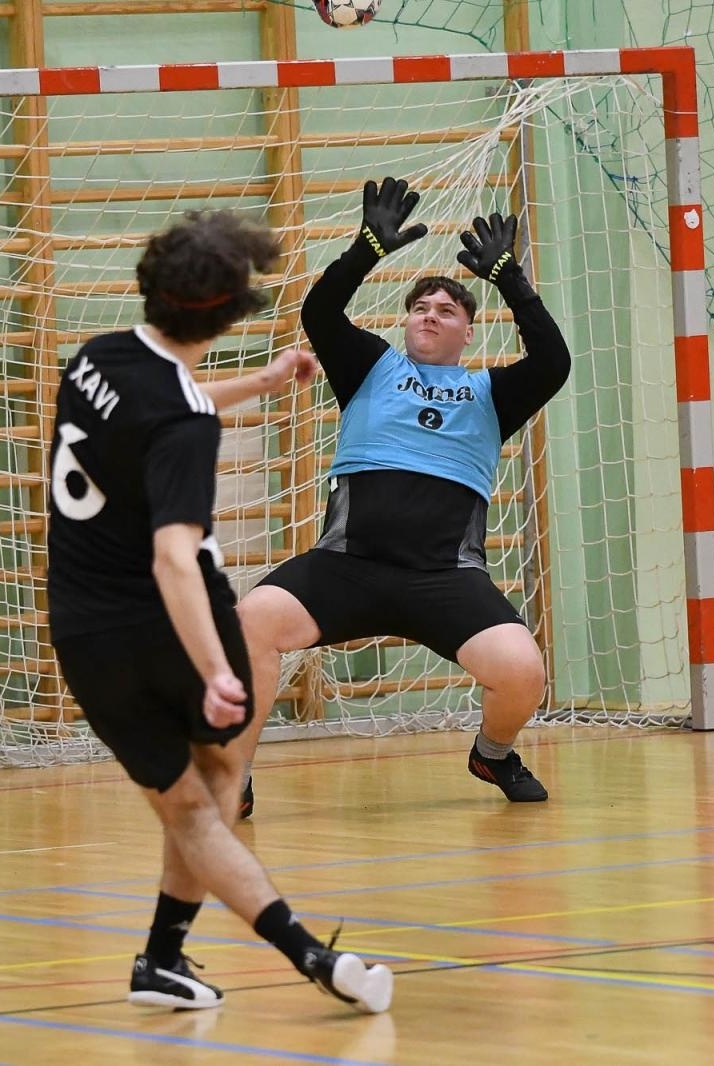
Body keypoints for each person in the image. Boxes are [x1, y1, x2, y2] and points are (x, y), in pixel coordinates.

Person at [47, 210, 393, 1014]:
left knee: (191, 797)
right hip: (170, 624)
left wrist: (262, 383)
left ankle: (163, 961)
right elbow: (173, 556)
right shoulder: (186, 423)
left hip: (83, 633)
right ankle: (312, 957)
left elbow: (162, 404)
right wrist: (212, 669)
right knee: (212, 793)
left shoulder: (97, 358)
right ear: (234, 310)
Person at [237, 177, 572, 812]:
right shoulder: (373, 367)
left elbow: (553, 362)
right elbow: (320, 313)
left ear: (468, 332)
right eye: (421, 307)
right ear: (406, 321)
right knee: (251, 620)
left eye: (447, 309)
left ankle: (492, 755)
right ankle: (236, 772)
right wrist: (367, 248)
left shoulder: (491, 394)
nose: (430, 314)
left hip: (443, 577)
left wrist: (513, 282)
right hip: (347, 568)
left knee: (522, 671)